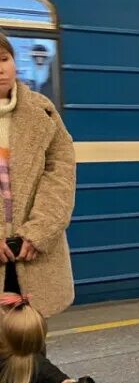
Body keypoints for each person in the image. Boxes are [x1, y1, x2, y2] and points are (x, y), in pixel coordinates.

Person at [0, 31, 76, 315]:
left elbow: (61, 170)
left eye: (4, 58)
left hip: (30, 254)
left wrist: (39, 231)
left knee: (30, 348)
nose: (0, 68)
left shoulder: (41, 111)